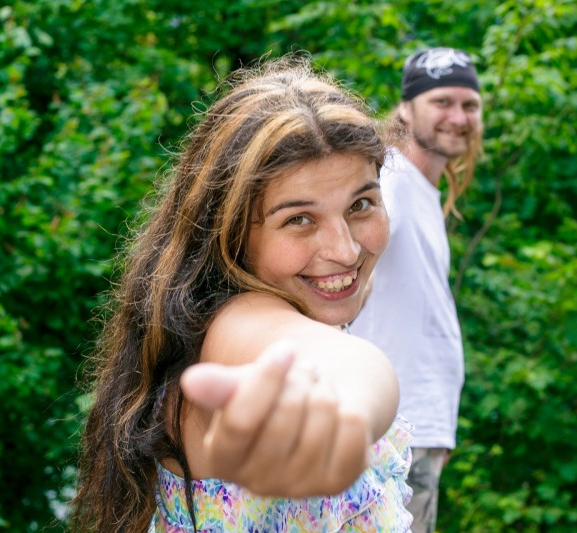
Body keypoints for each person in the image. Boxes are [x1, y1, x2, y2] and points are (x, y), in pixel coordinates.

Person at [70, 56, 414, 533]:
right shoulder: (240, 322)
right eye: (299, 219)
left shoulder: (210, 318)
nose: (346, 249)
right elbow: (333, 365)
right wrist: (341, 415)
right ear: (229, 233)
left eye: (361, 204)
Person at [350, 47, 484, 533]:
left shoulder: (417, 189)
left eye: (469, 105)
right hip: (391, 424)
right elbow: (348, 272)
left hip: (414, 425)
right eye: (441, 102)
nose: (458, 117)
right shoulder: (389, 180)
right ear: (406, 109)